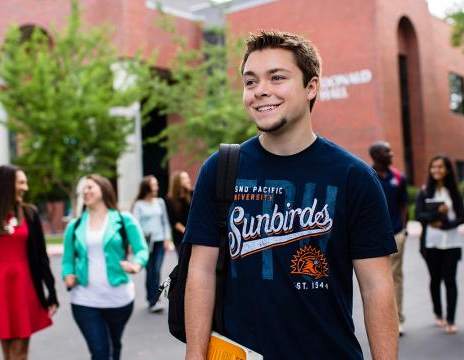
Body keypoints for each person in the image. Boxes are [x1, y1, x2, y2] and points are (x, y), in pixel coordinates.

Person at [184, 30, 398, 360]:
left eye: (277, 78)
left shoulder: (354, 177)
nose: (260, 91)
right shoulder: (221, 169)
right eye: (250, 82)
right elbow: (201, 271)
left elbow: (376, 287)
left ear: (311, 87)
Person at [0, 165, 58, 360]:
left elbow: (42, 256)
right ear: (7, 185)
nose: (26, 187)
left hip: (25, 287)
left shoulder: (30, 214)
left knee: (19, 353)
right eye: (21, 182)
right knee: (7, 354)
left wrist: (52, 293)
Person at [62, 174, 148, 360]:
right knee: (100, 353)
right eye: (84, 189)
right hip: (84, 300)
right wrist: (67, 274)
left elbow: (142, 249)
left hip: (119, 299)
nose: (86, 191)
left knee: (114, 347)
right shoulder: (74, 225)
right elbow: (68, 260)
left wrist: (136, 265)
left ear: (104, 189)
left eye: (90, 187)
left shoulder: (124, 219)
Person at [415, 155, 464, 334]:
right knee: (435, 279)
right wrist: (437, 214)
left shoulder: (453, 192)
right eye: (433, 167)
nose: (436, 170)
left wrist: (445, 225)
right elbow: (419, 216)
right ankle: (438, 314)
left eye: (440, 167)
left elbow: (462, 217)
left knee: (450, 281)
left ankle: (451, 319)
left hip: (451, 243)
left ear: (448, 170)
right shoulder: (424, 191)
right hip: (431, 244)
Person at [369, 141, 409, 335]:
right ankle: (380, 322)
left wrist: (404, 230)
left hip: (396, 234)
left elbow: (404, 206)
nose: (391, 153)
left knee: (396, 278)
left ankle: (398, 319)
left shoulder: (399, 178)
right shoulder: (366, 175)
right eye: (387, 151)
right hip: (372, 239)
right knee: (374, 282)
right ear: (376, 155)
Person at [132, 175, 172, 313]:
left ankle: (155, 300)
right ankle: (151, 299)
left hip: (160, 241)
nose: (156, 187)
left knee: (156, 270)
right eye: (154, 184)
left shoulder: (160, 202)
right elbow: (136, 226)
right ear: (147, 187)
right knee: (150, 271)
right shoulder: (139, 205)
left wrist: (167, 238)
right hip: (146, 243)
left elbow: (165, 221)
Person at [166, 171, 193, 254]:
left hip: (193, 234)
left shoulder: (192, 194)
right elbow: (173, 221)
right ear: (178, 182)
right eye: (184, 178)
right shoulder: (170, 200)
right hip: (180, 237)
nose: (188, 180)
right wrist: (185, 231)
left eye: (188, 177)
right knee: (183, 262)